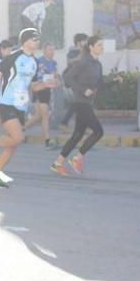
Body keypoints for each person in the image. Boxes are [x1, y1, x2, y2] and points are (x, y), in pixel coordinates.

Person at [0, 28, 51, 186]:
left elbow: (33, 87)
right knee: (18, 137)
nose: (37, 42)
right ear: (26, 41)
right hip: (6, 103)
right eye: (35, 39)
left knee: (14, 143)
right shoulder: (13, 57)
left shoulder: (34, 62)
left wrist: (46, 85)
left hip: (21, 107)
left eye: (38, 39)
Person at [51, 36, 104, 176]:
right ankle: (77, 158)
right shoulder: (84, 62)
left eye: (102, 45)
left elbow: (100, 83)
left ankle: (57, 163)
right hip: (80, 102)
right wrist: (82, 90)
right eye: (99, 45)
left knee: (77, 135)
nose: (101, 48)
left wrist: (116, 81)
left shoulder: (98, 64)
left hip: (88, 103)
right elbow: (68, 77)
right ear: (91, 47)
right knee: (98, 132)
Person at [25, 42, 59, 149]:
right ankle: (47, 140)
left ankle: (20, 129)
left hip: (47, 90)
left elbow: (54, 76)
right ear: (44, 50)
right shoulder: (38, 61)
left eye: (53, 50)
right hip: (39, 89)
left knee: (38, 116)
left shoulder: (53, 62)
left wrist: (56, 81)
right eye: (49, 49)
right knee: (45, 115)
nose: (52, 52)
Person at [59, 33, 89, 129]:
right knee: (79, 102)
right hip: (73, 80)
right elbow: (72, 61)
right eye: (85, 40)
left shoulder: (86, 52)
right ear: (79, 42)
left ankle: (66, 123)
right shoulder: (73, 51)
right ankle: (64, 123)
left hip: (82, 80)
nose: (86, 42)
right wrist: (83, 51)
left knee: (80, 103)